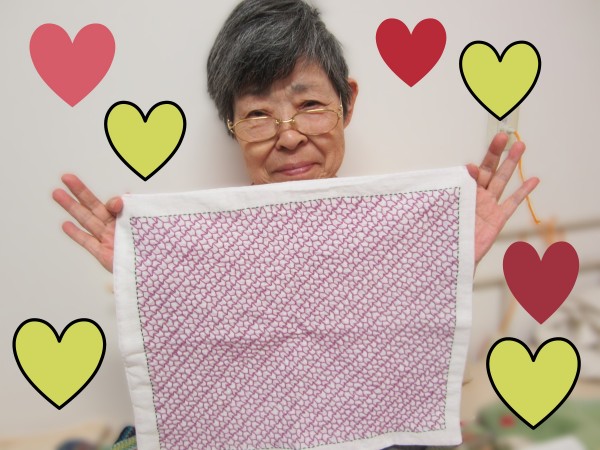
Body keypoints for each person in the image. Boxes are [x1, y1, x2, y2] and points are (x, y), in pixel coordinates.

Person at [52, 0, 538, 447]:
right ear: (232, 126)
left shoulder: (397, 242)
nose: (288, 137)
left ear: (347, 102)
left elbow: (410, 380)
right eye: (258, 114)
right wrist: (145, 269)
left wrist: (448, 259)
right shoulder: (202, 256)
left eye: (309, 106)